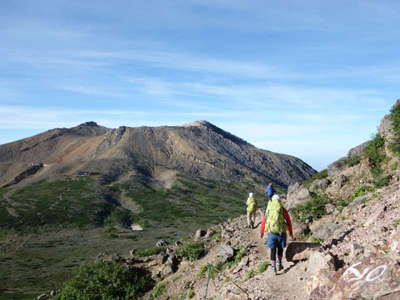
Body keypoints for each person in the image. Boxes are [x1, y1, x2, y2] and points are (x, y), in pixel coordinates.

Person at [260, 194, 293, 275]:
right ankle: (280, 263)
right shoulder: (282, 209)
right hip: (282, 232)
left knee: (273, 250)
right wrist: (291, 232)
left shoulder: (268, 210)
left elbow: (264, 222)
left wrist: (262, 232)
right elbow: (288, 221)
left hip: (272, 233)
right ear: (279, 201)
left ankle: (273, 267)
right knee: (280, 248)